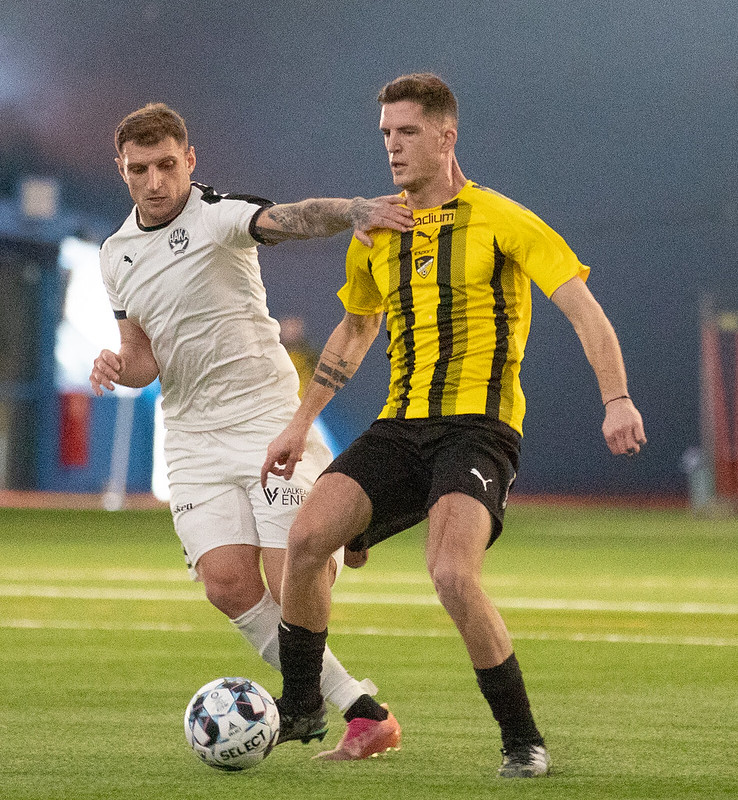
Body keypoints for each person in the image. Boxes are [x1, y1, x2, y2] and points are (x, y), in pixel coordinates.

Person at [262, 74, 647, 776]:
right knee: (307, 538)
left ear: (447, 136)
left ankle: (522, 741)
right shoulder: (375, 229)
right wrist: (299, 423)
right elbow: (356, 329)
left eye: (407, 131)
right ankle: (302, 705)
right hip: (400, 425)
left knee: (450, 574)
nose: (392, 146)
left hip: (478, 429)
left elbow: (582, 309)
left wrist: (616, 398)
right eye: (386, 133)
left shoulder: (502, 219)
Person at [89, 102, 411, 758]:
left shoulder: (219, 215)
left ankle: (344, 532)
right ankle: (362, 711)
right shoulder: (116, 254)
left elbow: (290, 219)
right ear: (121, 169)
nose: (155, 181)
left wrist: (353, 210)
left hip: (266, 419)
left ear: (190, 160)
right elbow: (144, 357)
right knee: (228, 585)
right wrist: (118, 367)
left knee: (293, 575)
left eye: (167, 165)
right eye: (139, 169)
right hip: (191, 436)